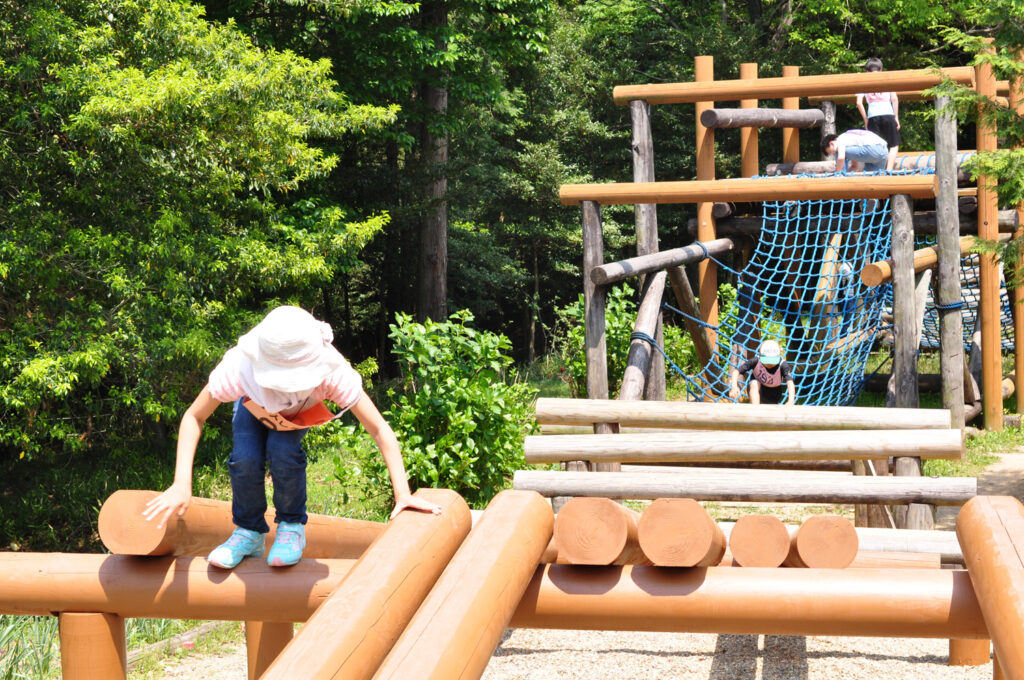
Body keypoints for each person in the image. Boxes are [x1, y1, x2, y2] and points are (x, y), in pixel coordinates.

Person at [142, 305, 442, 568]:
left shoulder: (332, 373)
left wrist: (403, 493)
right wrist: (182, 484)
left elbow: (378, 429)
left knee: (283, 451)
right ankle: (249, 532)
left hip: (298, 415)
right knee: (245, 457)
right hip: (251, 406)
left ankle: (291, 527)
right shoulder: (239, 367)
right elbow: (194, 416)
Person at [855, 57, 901, 171]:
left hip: (872, 116)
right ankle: (888, 170)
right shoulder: (888, 79)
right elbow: (894, 99)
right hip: (888, 113)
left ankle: (875, 171)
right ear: (881, 69)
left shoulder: (863, 82)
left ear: (867, 71)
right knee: (894, 144)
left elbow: (859, 103)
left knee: (875, 145)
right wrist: (896, 117)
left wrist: (866, 119)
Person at [729, 339, 796, 406]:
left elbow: (790, 383)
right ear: (760, 356)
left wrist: (791, 401)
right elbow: (736, 372)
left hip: (774, 392)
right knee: (755, 383)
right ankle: (755, 408)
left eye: (772, 361)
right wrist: (734, 387)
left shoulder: (783, 365)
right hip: (757, 390)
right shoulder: (755, 361)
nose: (770, 364)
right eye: (767, 361)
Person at [821, 129, 890, 173]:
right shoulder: (851, 142)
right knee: (871, 180)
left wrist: (838, 173)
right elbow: (855, 167)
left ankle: (841, 179)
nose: (833, 154)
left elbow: (841, 157)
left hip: (873, 148)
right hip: (884, 152)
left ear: (831, 143)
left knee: (838, 152)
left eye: (830, 152)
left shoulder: (840, 139)